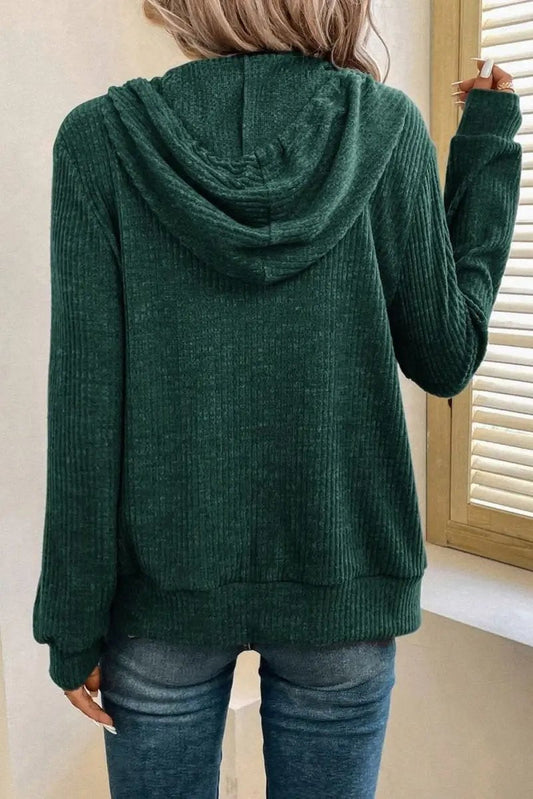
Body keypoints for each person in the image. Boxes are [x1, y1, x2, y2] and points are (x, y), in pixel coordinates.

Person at [31, 1, 522, 797]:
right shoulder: (387, 127)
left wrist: (72, 621)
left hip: (161, 599)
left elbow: (86, 407)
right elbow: (445, 356)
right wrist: (486, 149)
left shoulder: (99, 140)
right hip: (342, 583)